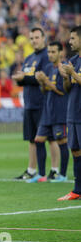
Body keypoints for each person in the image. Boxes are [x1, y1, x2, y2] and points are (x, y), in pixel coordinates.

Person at [11, 27, 57, 181]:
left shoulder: (47, 56)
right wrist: (20, 78)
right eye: (31, 38)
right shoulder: (29, 58)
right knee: (31, 138)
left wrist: (24, 77)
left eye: (37, 37)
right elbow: (28, 79)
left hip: (43, 103)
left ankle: (55, 169)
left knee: (50, 138)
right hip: (29, 103)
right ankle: (31, 170)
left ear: (43, 38)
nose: (34, 41)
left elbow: (42, 78)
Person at [33, 42, 69, 183]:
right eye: (49, 52)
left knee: (61, 141)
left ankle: (63, 175)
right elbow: (44, 90)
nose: (50, 54)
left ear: (60, 52)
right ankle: (41, 174)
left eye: (53, 52)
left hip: (60, 111)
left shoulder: (64, 68)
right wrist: (42, 82)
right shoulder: (48, 68)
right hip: (47, 111)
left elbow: (62, 90)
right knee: (38, 140)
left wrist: (45, 80)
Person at [57, 26, 81, 201]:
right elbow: (68, 89)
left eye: (73, 38)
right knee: (75, 150)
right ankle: (77, 189)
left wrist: (72, 72)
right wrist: (66, 77)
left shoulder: (73, 65)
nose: (70, 41)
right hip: (73, 112)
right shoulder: (73, 60)